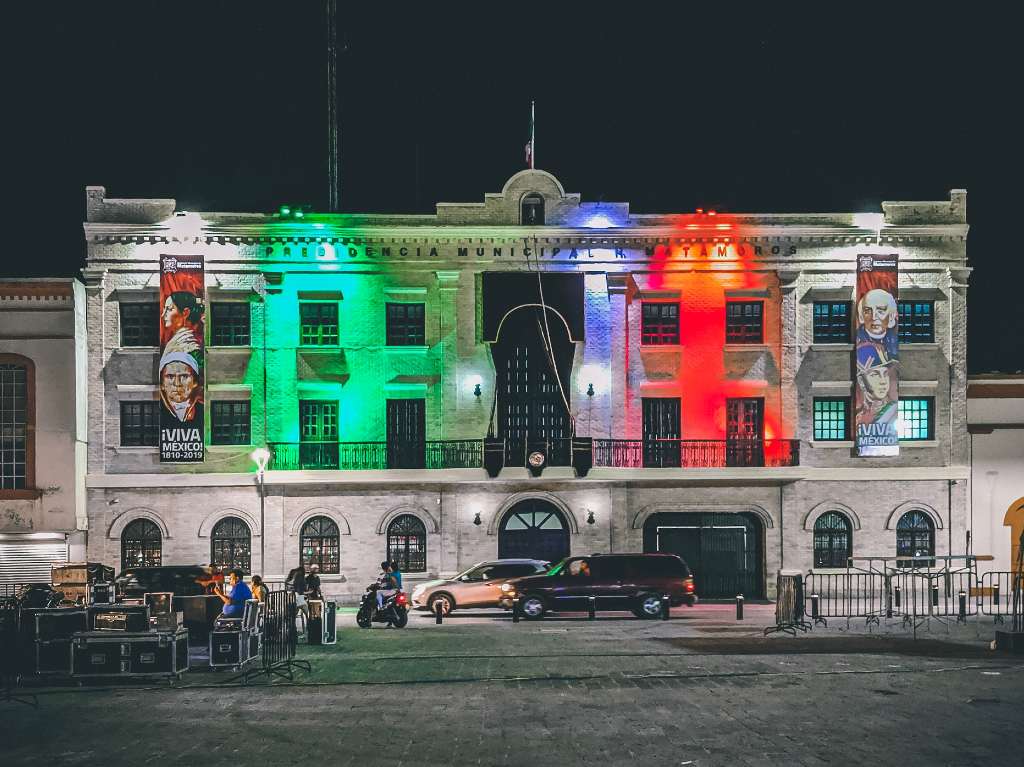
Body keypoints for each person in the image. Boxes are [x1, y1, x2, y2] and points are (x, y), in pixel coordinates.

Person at [158, 351, 203, 424]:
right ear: (162, 384)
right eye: (170, 376)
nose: (177, 383)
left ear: (195, 382)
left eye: (184, 376)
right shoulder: (158, 409)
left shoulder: (202, 409)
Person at [856, 288, 899, 359]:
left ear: (891, 316)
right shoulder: (858, 338)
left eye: (880, 311)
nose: (873, 317)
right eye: (867, 311)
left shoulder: (894, 338)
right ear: (861, 316)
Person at [161, 290, 204, 356]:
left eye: (169, 309)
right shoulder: (176, 342)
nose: (163, 315)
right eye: (164, 309)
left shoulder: (190, 348)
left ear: (185, 313)